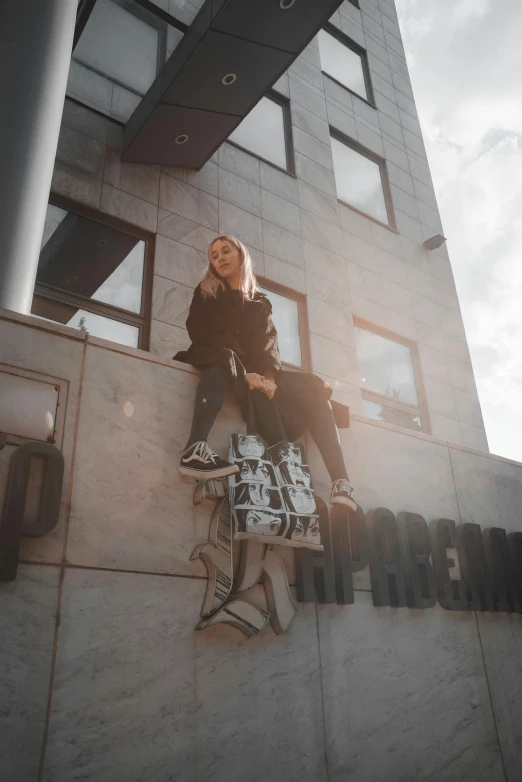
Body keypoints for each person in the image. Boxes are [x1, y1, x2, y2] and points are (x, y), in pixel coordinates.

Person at [174, 234, 357, 510]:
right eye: (214, 255)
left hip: (258, 373)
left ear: (240, 256)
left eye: (226, 251)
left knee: (315, 386)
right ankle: (194, 449)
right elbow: (202, 331)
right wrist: (242, 371)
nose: (220, 258)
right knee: (224, 359)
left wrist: (269, 378)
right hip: (217, 355)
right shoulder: (207, 290)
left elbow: (268, 342)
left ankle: (341, 483)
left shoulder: (260, 301)